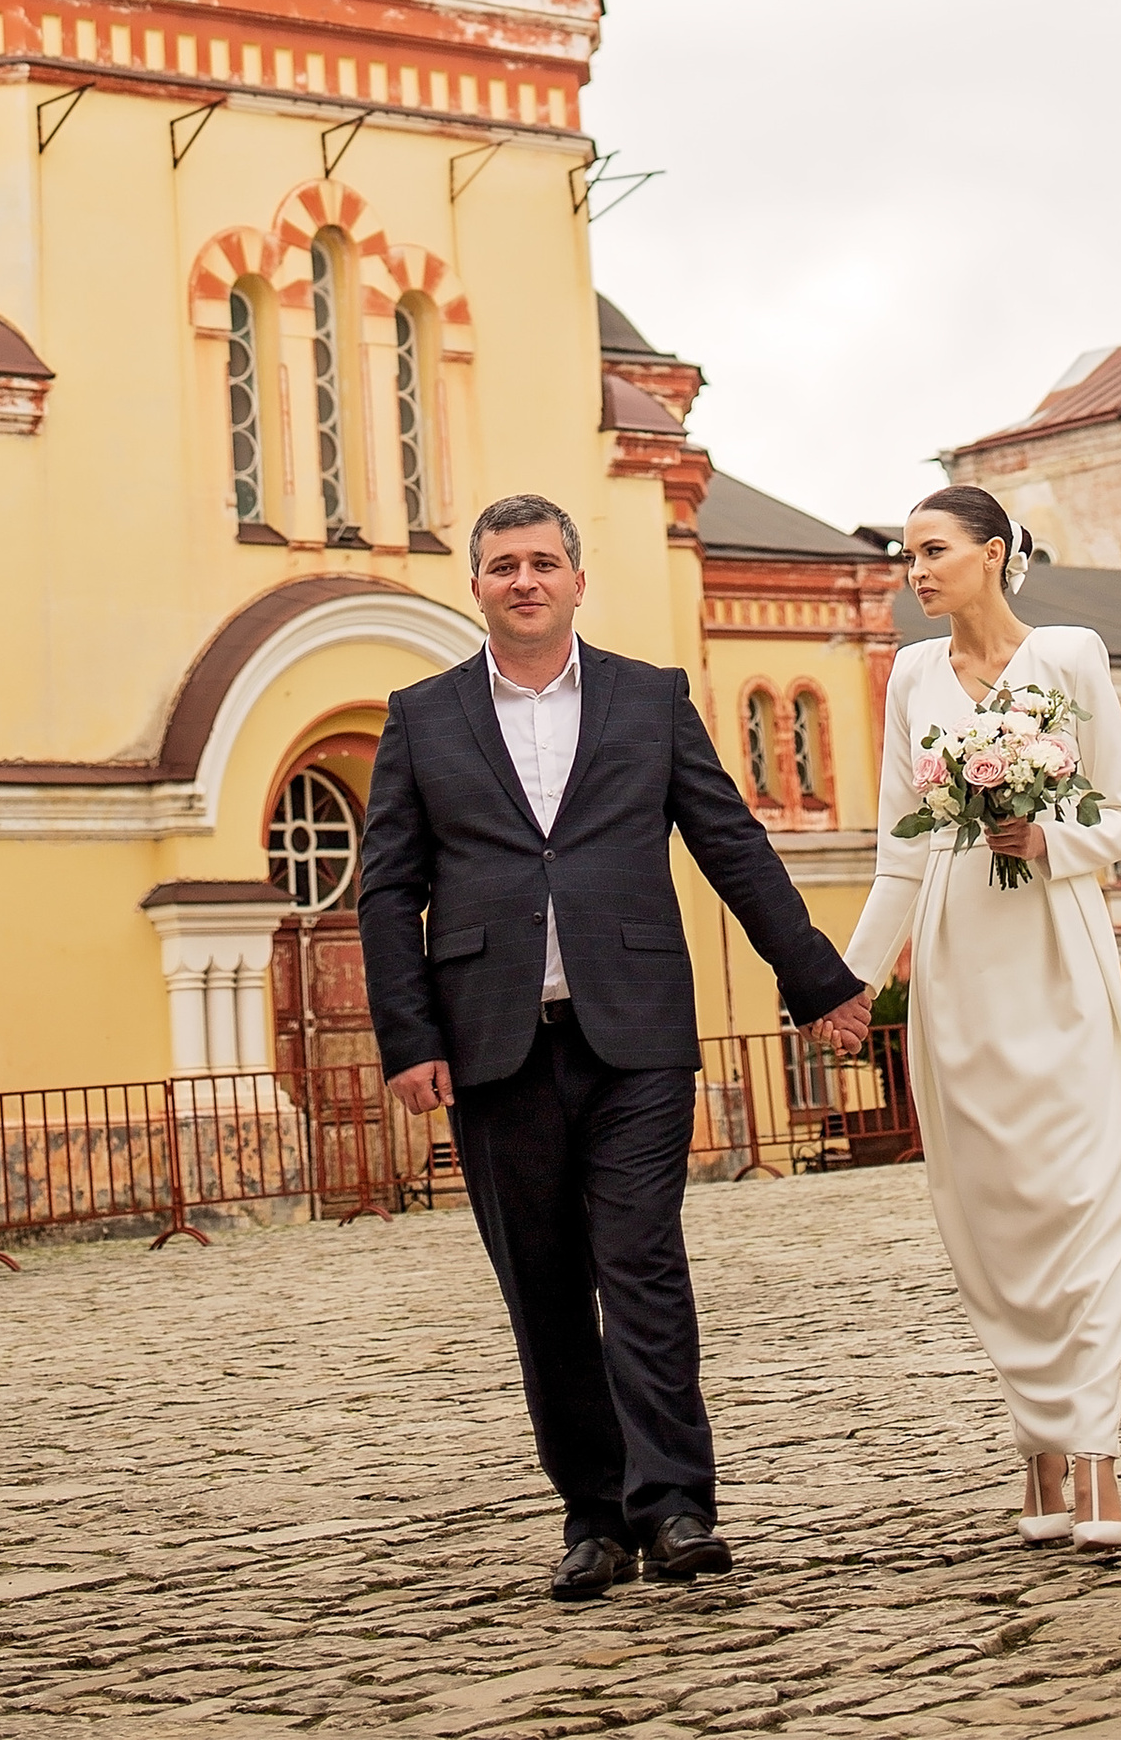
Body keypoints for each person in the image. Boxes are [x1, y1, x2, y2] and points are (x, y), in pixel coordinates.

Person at [358, 491, 874, 1601]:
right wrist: (408, 1038)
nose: (525, 580)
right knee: (541, 1289)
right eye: (504, 565)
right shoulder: (421, 715)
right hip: (492, 1044)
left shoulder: (651, 699)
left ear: (578, 581)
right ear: (478, 586)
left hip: (635, 1033)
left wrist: (818, 978)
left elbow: (730, 843)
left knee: (639, 1264)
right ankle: (591, 1515)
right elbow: (388, 887)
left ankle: (677, 1505)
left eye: (544, 562)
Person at [846, 483, 1121, 1553]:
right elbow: (897, 849)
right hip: (957, 964)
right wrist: (842, 983)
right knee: (989, 1209)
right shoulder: (911, 677)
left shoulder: (1071, 656)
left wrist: (1049, 842)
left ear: (993, 553)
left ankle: (1099, 1457)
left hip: (1055, 957)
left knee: (1080, 1198)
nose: (913, 572)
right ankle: (1037, 1445)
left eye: (930, 551)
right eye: (902, 556)